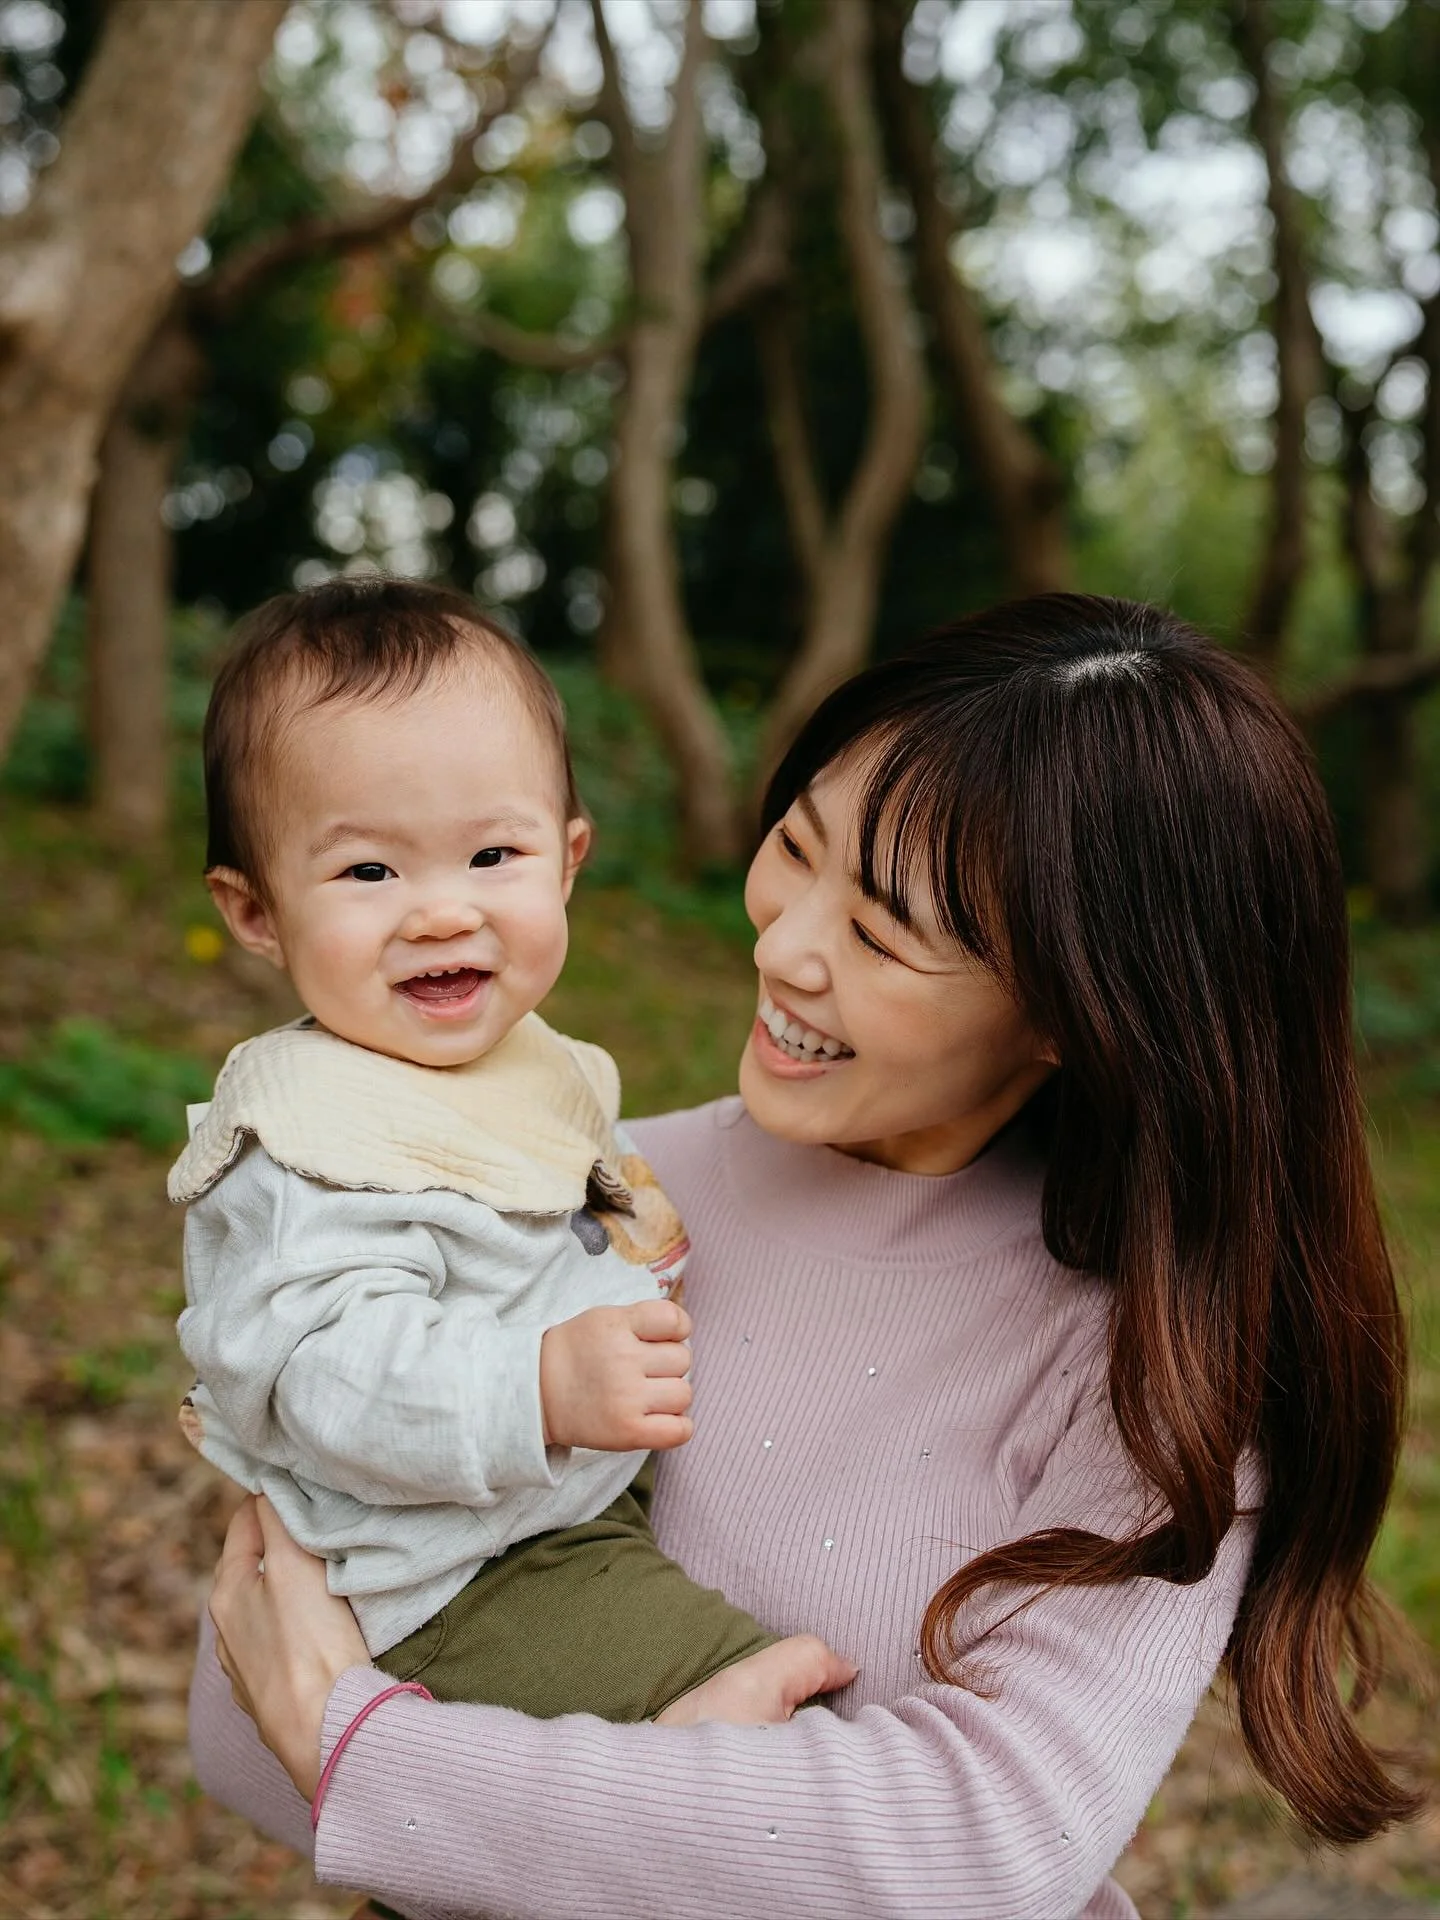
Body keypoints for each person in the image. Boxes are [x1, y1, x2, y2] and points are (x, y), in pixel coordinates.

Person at [191, 594, 1420, 1920]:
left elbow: (986, 1848)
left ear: (1077, 1009)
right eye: (794, 847)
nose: (779, 948)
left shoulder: (1155, 1373)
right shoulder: (580, 1189)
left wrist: (381, 1761)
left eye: (881, 932)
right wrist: (669, 1814)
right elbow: (248, 1683)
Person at [173, 576, 848, 1731]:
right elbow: (324, 1373)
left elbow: (586, 1176)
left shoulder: (537, 1063)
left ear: (569, 857)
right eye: (368, 872)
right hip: (462, 1575)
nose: (441, 912)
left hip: (561, 1507)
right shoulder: (308, 1142)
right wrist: (535, 1387)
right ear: (254, 912)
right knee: (771, 1723)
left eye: (493, 855)